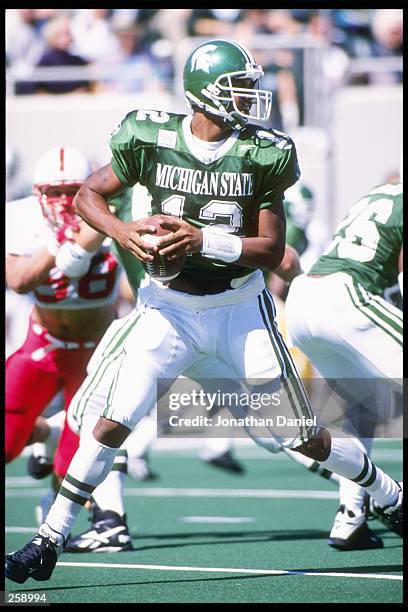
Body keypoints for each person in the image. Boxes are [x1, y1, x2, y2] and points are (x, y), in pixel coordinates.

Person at [5, 39, 402, 584]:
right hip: (165, 308)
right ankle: (49, 537)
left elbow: (269, 248)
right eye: (237, 86)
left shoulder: (263, 151)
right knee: (111, 421)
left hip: (239, 310)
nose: (250, 96)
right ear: (202, 93)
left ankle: (385, 493)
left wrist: (202, 241)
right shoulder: (149, 136)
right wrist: (126, 233)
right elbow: (88, 198)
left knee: (299, 434)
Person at [285, 181, 403, 550]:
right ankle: (392, 498)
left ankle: (350, 516)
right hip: (345, 297)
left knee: (357, 411)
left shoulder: (378, 193)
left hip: (304, 299)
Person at [5, 146, 121, 517]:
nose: (61, 201)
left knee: (72, 466)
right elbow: (19, 280)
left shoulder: (111, 213)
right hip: (43, 345)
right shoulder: (19, 216)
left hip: (94, 356)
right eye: (52, 192)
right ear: (37, 193)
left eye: (71, 191)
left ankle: (59, 511)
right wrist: (59, 241)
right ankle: (46, 432)